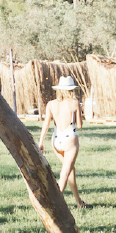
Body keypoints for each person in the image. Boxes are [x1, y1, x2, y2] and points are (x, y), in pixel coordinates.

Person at [38, 76, 87, 209]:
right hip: (70, 139)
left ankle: (79, 202)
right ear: (71, 90)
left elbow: (46, 124)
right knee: (65, 173)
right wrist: (80, 111)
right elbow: (80, 125)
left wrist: (41, 142)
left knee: (70, 169)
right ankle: (54, 204)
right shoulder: (74, 103)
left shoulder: (51, 104)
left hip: (56, 140)